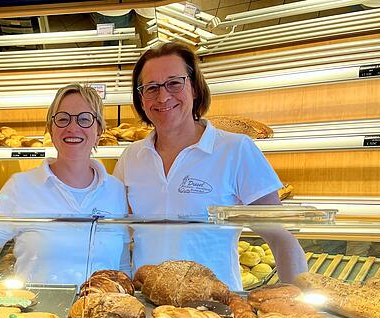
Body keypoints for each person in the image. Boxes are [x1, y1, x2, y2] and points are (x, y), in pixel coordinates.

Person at [114, 41, 307, 289]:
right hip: (150, 303)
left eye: (174, 83)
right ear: (141, 98)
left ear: (194, 88)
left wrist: (296, 303)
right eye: (151, 87)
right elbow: (121, 234)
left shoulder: (236, 149)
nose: (163, 96)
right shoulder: (131, 157)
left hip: (217, 308)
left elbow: (280, 237)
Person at [0, 83, 128, 285]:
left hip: (102, 312)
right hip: (38, 311)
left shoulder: (115, 190)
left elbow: (121, 265)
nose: (73, 127)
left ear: (99, 130)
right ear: (51, 128)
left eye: (85, 119)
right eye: (63, 119)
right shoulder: (21, 186)